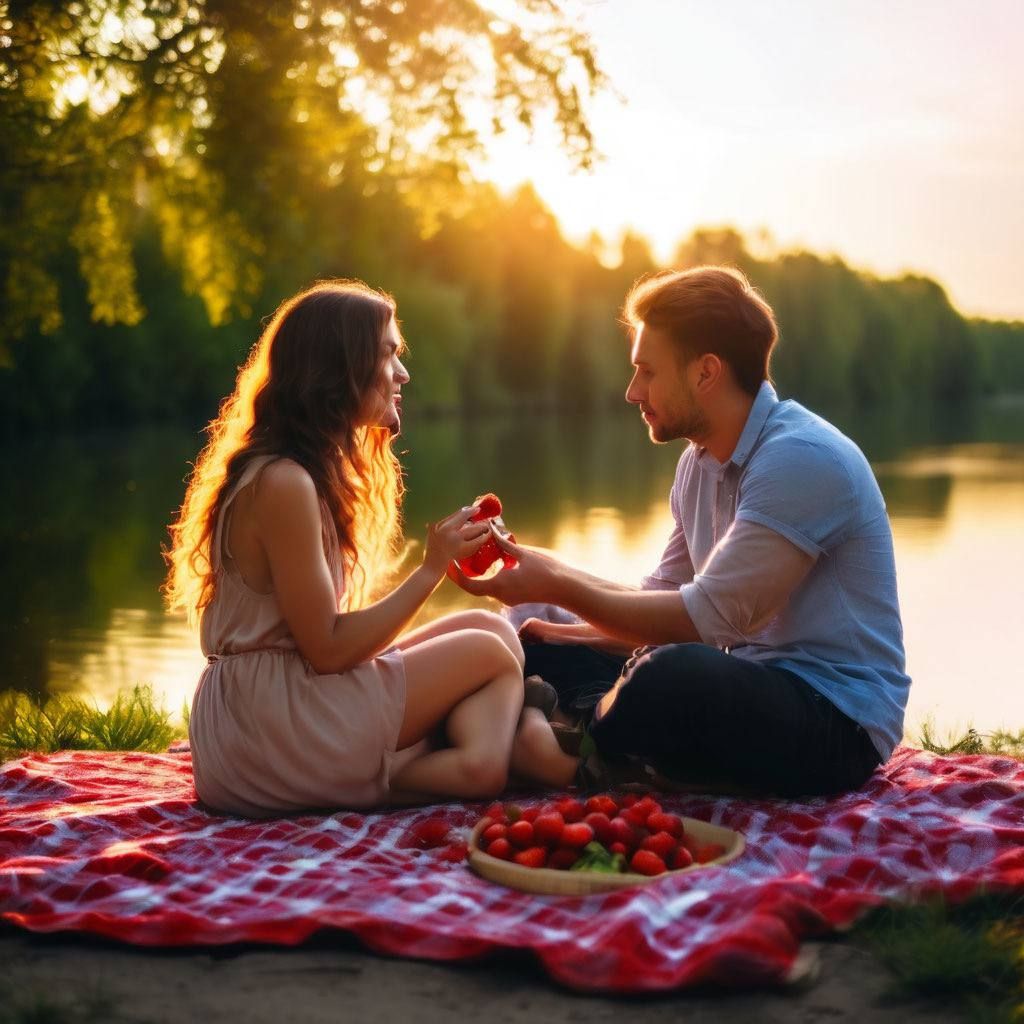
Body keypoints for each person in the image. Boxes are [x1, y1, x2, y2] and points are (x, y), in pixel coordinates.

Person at [450, 266, 911, 798]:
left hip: (833, 722)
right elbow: (660, 600)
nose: (631, 391)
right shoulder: (699, 463)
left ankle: (572, 758)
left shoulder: (801, 459)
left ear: (705, 373)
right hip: (741, 681)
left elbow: (707, 619)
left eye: (647, 371)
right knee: (528, 626)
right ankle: (582, 730)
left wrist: (555, 583)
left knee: (670, 676)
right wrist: (547, 593)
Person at [163, 280, 577, 818]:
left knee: (493, 629)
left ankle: (462, 752)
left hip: (267, 713)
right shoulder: (284, 483)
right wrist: (432, 567)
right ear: (341, 369)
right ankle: (435, 766)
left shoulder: (292, 472)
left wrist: (445, 565)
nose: (402, 373)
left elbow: (322, 643)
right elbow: (329, 650)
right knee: (490, 657)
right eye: (388, 355)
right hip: (267, 730)